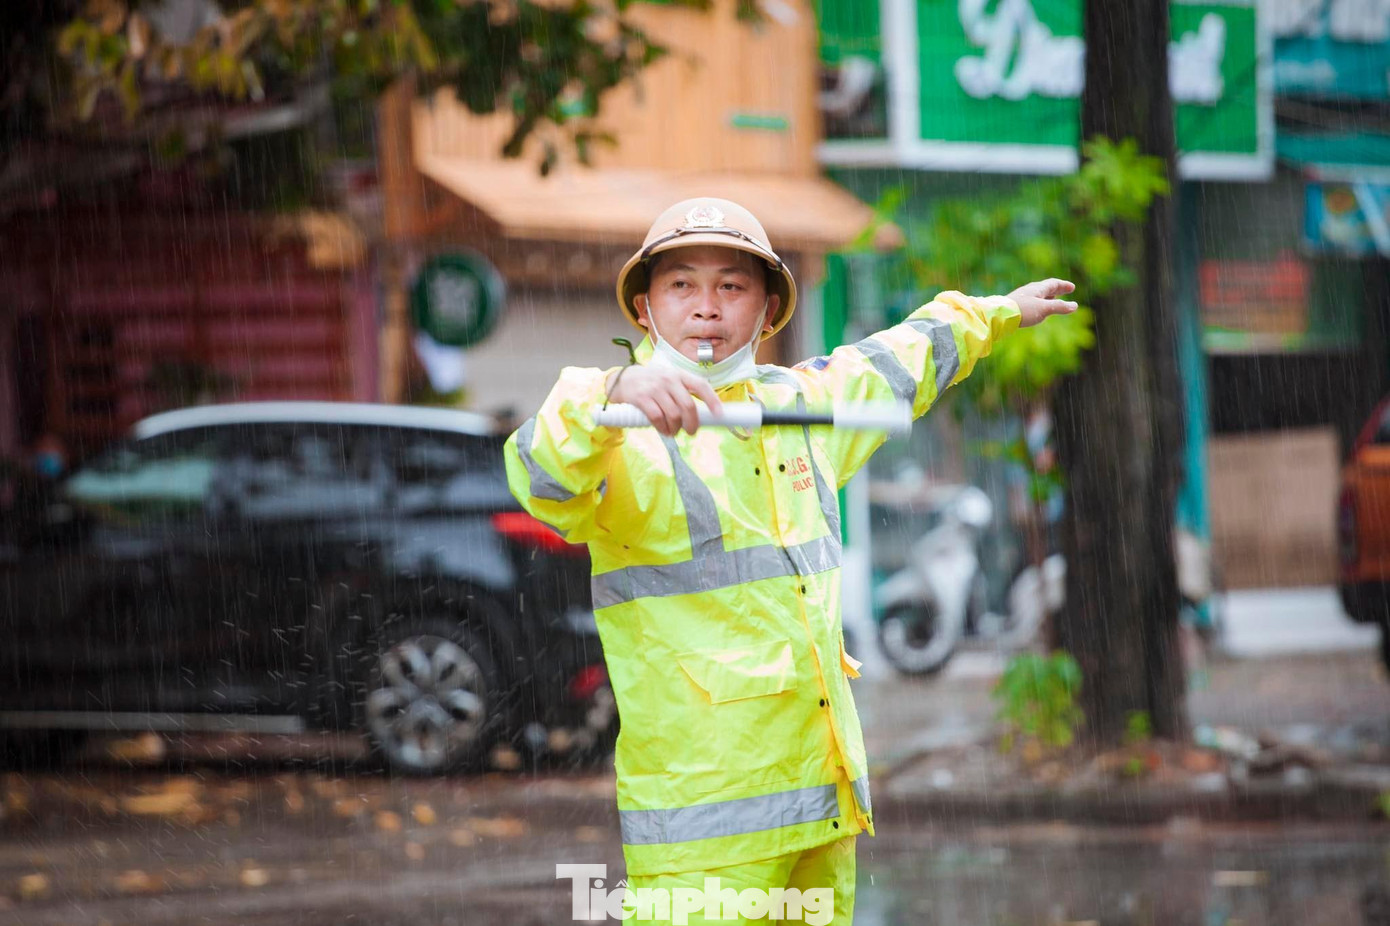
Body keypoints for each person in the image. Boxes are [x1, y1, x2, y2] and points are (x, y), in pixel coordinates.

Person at [504, 198, 1076, 923]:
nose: (706, 309)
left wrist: (994, 314)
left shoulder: (799, 406)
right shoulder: (618, 434)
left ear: (768, 308)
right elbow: (540, 475)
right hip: (702, 835)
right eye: (682, 285)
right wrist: (609, 391)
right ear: (645, 309)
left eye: (731, 287)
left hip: (820, 810)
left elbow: (895, 360)